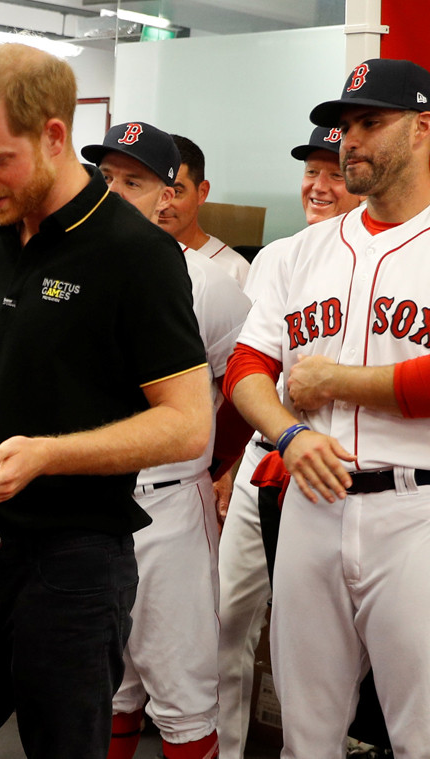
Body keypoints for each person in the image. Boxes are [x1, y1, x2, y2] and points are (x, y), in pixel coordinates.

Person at [0, 43, 212, 759]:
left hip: (78, 559)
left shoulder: (137, 253)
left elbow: (188, 422)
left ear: (53, 135)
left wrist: (48, 455)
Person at [224, 58, 430, 758]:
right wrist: (287, 435)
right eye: (346, 125)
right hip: (312, 501)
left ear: (423, 128)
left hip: (416, 510)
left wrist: (336, 381)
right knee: (305, 735)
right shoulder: (297, 251)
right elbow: (249, 371)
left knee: (420, 734)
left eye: (372, 122)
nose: (351, 140)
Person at [84, 121, 252, 759]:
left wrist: (218, 461)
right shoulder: (69, 267)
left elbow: (249, 378)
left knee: (181, 689)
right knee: (108, 682)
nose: (116, 192)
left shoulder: (207, 283)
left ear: (169, 194)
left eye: (136, 181)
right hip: (90, 496)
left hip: (168, 504)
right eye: (106, 178)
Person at [216, 123, 363, 759]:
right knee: (223, 621)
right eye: (311, 171)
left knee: (341, 653)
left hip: (348, 473)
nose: (319, 185)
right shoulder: (280, 255)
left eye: (335, 172)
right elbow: (249, 370)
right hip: (266, 459)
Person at [159, 134, 251, 287]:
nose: (162, 204)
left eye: (176, 192)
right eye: (155, 190)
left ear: (202, 192)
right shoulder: (130, 257)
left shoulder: (233, 270)